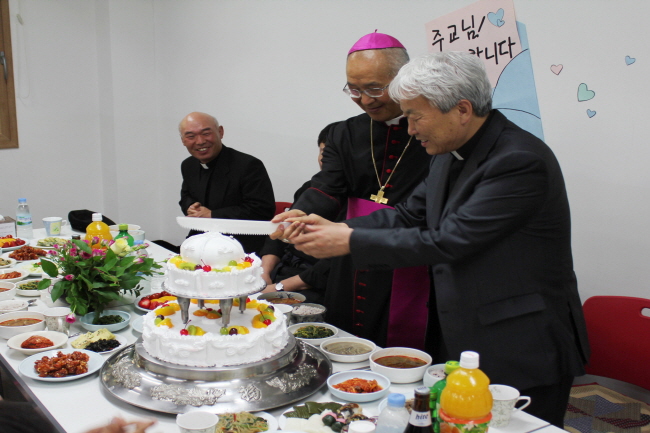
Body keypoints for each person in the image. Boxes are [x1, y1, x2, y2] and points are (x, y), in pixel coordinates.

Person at [278, 52, 590, 428]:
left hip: (520, 341)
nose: (409, 129)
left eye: (415, 116)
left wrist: (350, 242)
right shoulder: (447, 153)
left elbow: (450, 240)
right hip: (465, 331)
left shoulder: (518, 160)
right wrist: (336, 228)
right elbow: (409, 215)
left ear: (462, 109)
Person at [276, 32, 432, 348]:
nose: (365, 100)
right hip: (349, 256)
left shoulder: (431, 129)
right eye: (354, 90)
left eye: (375, 88)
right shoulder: (343, 133)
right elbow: (327, 186)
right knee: (344, 339)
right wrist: (301, 211)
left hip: (408, 252)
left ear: (403, 78)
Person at [260, 122, 339, 303]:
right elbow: (279, 234)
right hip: (283, 269)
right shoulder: (309, 188)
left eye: (332, 154)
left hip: (316, 283)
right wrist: (264, 273)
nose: (325, 159)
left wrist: (278, 288)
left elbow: (332, 264)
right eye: (323, 152)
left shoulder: (357, 201)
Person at [179, 112, 275, 253]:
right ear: (183, 140)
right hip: (200, 241)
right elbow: (186, 196)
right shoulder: (188, 165)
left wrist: (213, 215)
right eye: (191, 136)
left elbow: (262, 210)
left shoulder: (248, 165)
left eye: (206, 133)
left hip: (240, 245)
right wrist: (191, 207)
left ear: (220, 132)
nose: (200, 141)